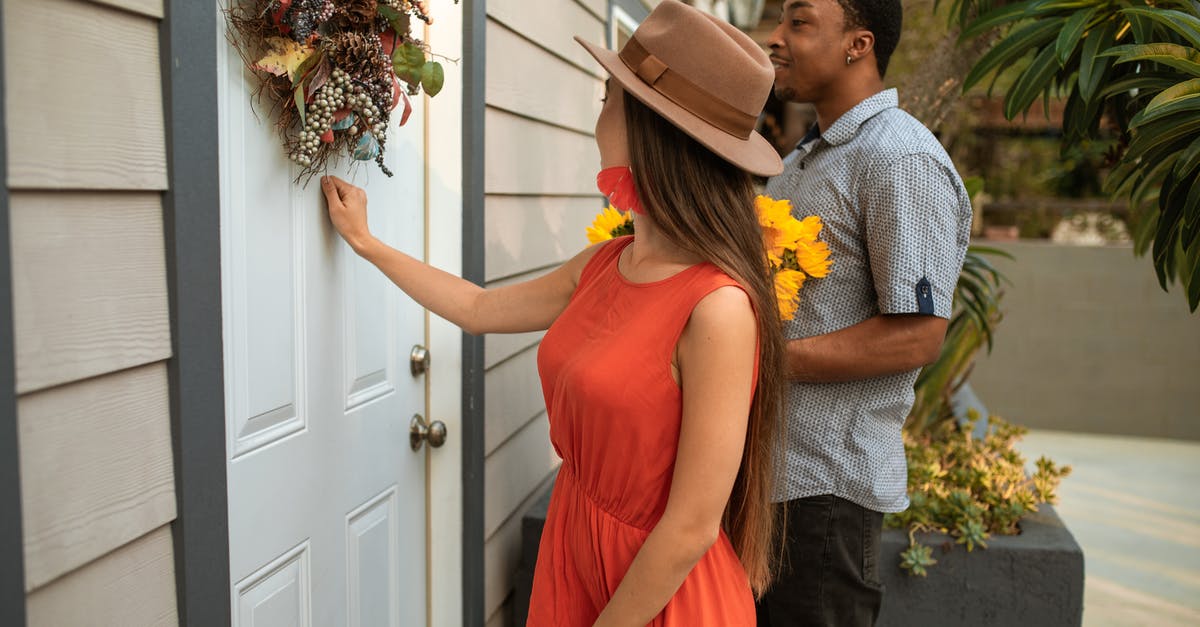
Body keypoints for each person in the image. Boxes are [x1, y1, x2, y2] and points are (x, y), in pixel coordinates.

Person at [321, 2, 788, 624]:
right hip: (575, 551)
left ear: (653, 131)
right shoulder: (603, 263)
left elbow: (690, 528)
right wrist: (367, 243)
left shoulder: (719, 308)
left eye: (607, 100)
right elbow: (478, 308)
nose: (597, 120)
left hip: (656, 596)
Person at [756, 0, 974, 625]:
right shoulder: (806, 155)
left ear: (859, 44)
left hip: (824, 497)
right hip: (771, 483)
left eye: (798, 22)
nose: (775, 39)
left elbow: (916, 336)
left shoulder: (898, 158)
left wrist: (764, 358)